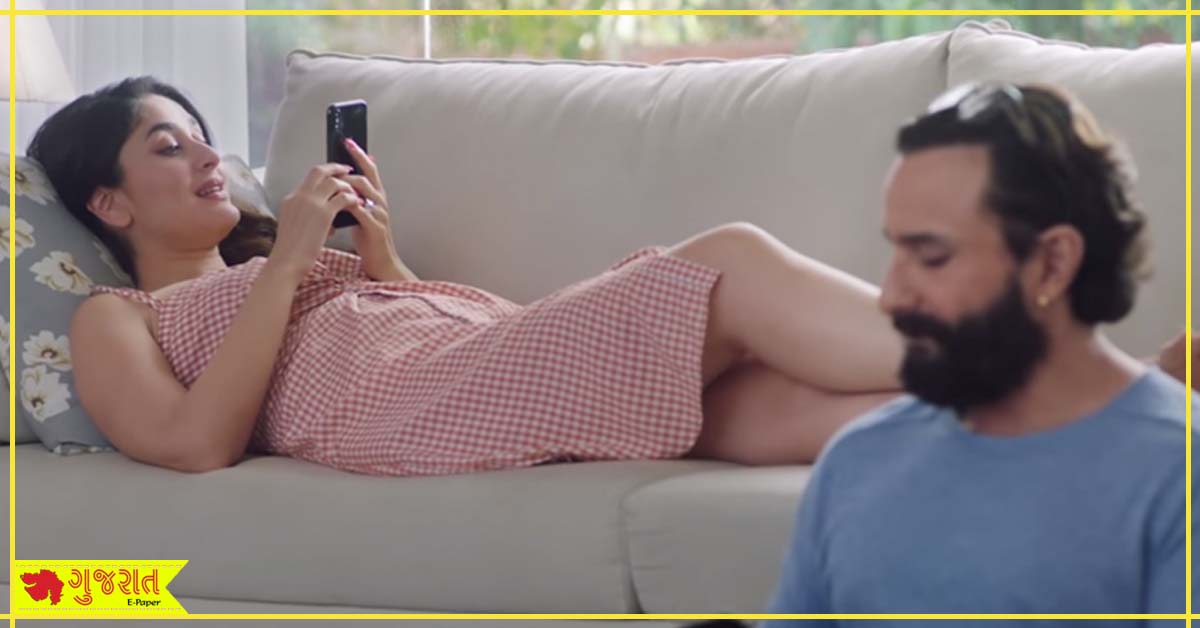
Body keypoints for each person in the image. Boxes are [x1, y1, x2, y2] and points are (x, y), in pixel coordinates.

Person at [27, 77, 1190, 479]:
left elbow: (413, 339)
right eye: (166, 147)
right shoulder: (117, 318)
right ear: (109, 203)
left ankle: (1115, 432)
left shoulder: (290, 267)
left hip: (464, 367)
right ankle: (1096, 379)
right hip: (428, 404)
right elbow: (194, 445)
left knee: (775, 410)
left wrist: (378, 263)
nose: (206, 158)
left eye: (203, 138)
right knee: (727, 261)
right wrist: (289, 261)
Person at [763, 83, 1196, 624]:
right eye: (896, 252)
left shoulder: (1178, 474)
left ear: (1052, 264)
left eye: (932, 258)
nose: (891, 297)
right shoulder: (856, 460)